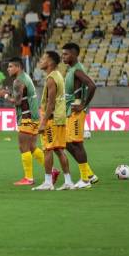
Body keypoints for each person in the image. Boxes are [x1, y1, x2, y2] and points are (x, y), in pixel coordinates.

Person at [32, 51, 74, 191]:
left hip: (52, 119)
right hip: (60, 118)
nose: (41, 61)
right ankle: (68, 181)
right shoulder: (58, 76)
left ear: (50, 62)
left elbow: (50, 103)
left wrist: (43, 122)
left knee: (48, 149)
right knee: (59, 150)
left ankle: (48, 182)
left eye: (43, 58)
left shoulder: (51, 78)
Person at [62, 43, 98, 187]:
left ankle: (85, 180)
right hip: (70, 111)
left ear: (74, 55)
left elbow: (92, 85)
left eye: (66, 54)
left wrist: (83, 104)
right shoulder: (71, 70)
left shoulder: (77, 70)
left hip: (76, 112)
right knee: (66, 142)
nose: (63, 56)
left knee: (76, 144)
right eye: (62, 54)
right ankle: (89, 173)